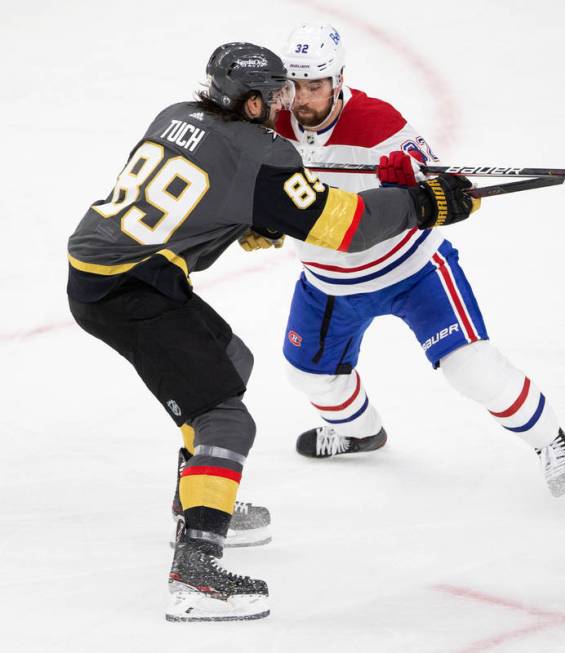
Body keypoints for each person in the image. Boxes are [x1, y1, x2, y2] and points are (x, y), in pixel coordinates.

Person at [66, 42, 476, 622]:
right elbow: (349, 227)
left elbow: (196, 194)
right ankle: (197, 569)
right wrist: (422, 203)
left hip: (107, 270)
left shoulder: (175, 115)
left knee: (232, 363)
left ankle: (198, 503)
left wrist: (246, 219)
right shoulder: (263, 151)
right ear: (252, 101)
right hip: (132, 290)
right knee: (226, 417)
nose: (285, 102)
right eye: (276, 93)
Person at [273, 24, 565, 501]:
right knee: (308, 374)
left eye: (314, 86)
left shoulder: (378, 123)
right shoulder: (269, 124)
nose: (302, 98)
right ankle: (363, 433)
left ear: (338, 81)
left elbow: (453, 189)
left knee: (471, 368)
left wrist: (418, 187)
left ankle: (551, 442)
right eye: (293, 85)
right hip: (328, 282)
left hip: (411, 271)